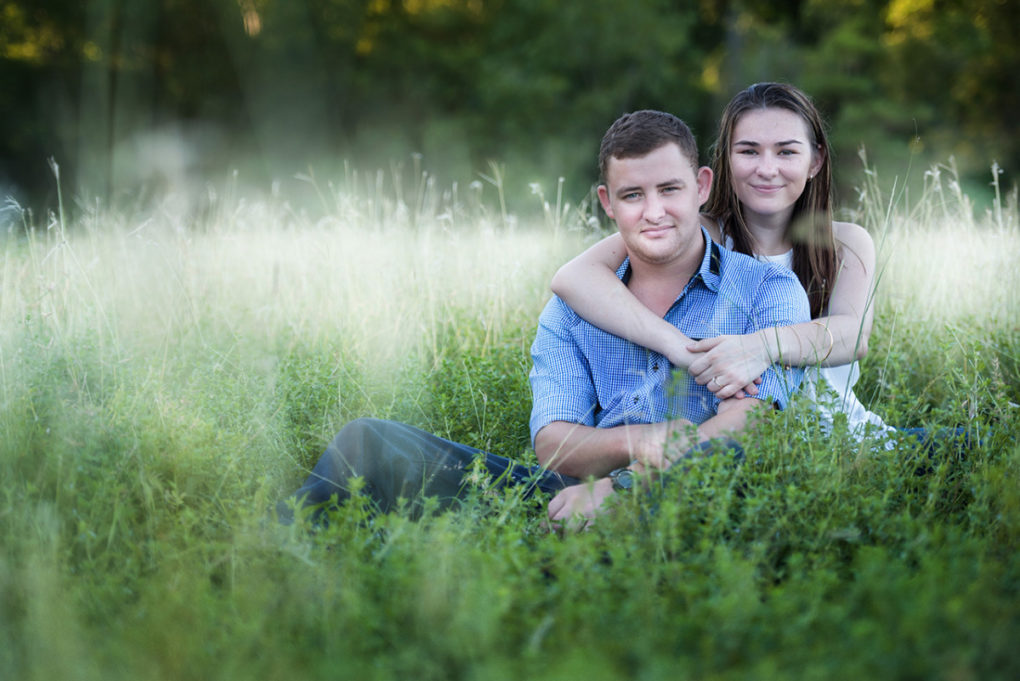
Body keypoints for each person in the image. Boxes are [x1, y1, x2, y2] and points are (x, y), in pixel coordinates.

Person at [278, 109, 810, 527]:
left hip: (699, 498)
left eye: (669, 190)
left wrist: (626, 491)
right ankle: (273, 564)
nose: (653, 212)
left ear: (702, 186)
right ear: (607, 202)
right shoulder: (574, 310)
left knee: (725, 461)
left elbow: (756, 424)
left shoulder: (765, 289)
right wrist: (639, 446)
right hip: (573, 497)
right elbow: (554, 443)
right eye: (632, 195)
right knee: (368, 442)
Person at [551, 82, 900, 445]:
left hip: (854, 441)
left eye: (786, 152)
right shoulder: (698, 234)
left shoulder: (846, 243)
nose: (767, 169)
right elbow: (574, 277)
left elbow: (851, 336)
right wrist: (679, 347)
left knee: (961, 446)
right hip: (746, 451)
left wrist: (761, 346)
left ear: (815, 161)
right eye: (748, 151)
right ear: (725, 161)